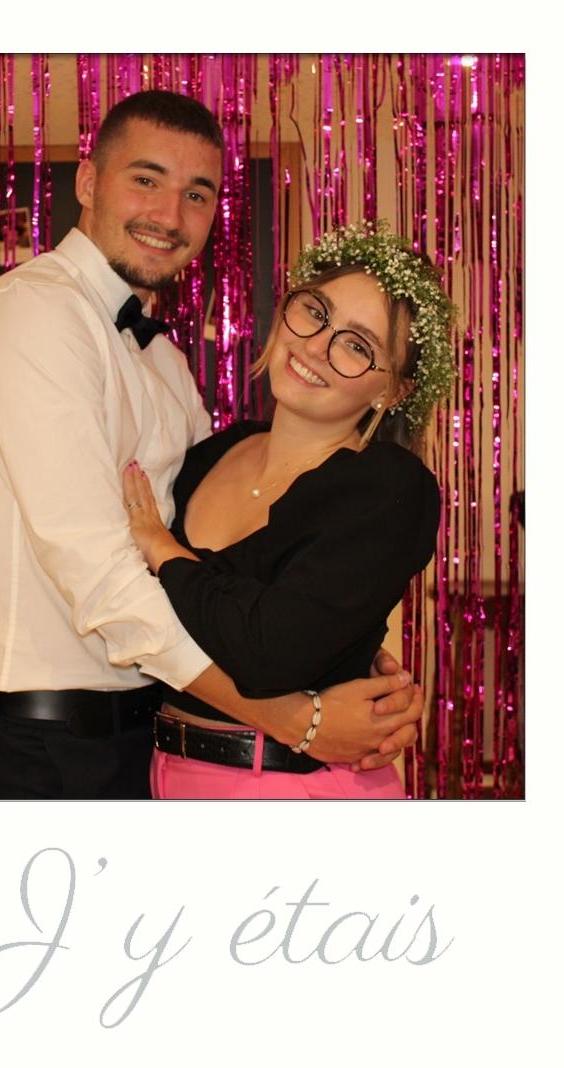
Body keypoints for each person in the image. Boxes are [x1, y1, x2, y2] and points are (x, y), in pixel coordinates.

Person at [0, 91, 424, 800]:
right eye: (146, 179)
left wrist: (338, 648)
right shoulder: (35, 314)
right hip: (41, 749)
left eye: (196, 195)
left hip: (146, 741)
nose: (169, 217)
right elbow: (101, 575)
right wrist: (298, 719)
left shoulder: (161, 360)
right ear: (87, 181)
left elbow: (219, 561)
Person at [121, 220, 455, 799]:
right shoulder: (208, 453)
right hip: (162, 773)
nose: (317, 347)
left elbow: (267, 653)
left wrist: (161, 549)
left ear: (392, 390)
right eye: (316, 312)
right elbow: (125, 599)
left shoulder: (388, 488)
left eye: (357, 346)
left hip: (302, 791)